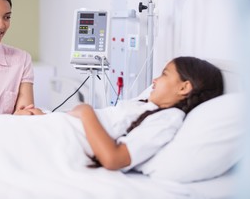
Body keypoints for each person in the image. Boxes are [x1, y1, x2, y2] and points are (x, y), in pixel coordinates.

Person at [68, 56, 224, 171]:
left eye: (164, 74)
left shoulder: (168, 119)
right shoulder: (146, 105)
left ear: (183, 88)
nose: (155, 80)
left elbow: (112, 159)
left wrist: (86, 111)